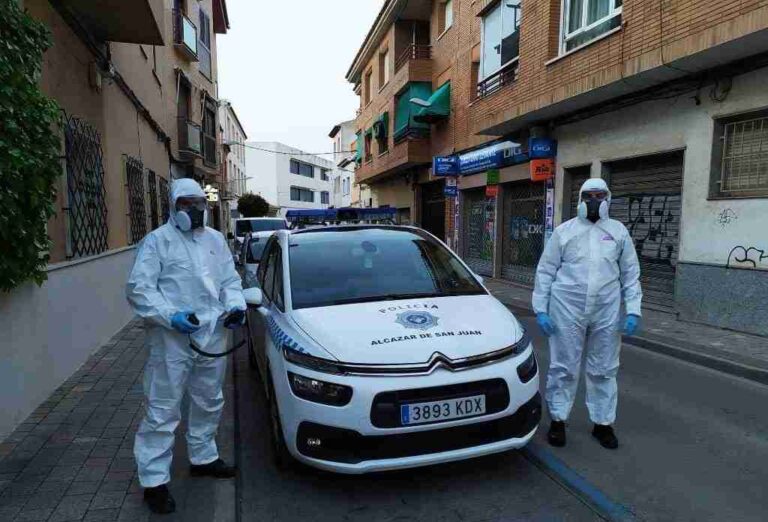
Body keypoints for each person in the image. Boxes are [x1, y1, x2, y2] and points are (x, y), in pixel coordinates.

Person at [126, 178, 246, 514]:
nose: (193, 210)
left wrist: (235, 305)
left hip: (213, 333)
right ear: (173, 206)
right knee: (163, 409)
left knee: (209, 400)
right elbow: (139, 289)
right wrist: (170, 315)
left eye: (198, 203)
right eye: (185, 203)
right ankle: (154, 481)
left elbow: (229, 281)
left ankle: (203, 457)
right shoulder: (157, 242)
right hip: (172, 340)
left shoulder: (215, 240)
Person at [532, 178, 641, 450]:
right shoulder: (564, 231)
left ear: (608, 198)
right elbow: (546, 271)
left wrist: (633, 310)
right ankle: (558, 420)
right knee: (563, 366)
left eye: (600, 195)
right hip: (566, 307)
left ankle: (602, 424)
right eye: (589, 195)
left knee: (604, 368)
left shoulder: (618, 232)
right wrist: (541, 309)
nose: (594, 200)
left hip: (606, 308)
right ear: (580, 198)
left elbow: (630, 273)